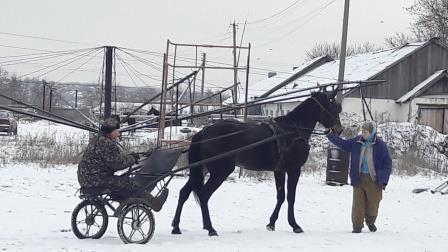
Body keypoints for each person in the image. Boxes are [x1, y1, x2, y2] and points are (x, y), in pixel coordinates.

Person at [77, 117, 167, 211]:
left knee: (120, 181)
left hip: (86, 178)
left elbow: (113, 159)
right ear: (111, 131)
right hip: (96, 180)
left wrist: (131, 157)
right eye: (117, 131)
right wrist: (132, 159)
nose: (119, 133)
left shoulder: (97, 139)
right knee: (130, 183)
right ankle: (154, 203)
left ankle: (124, 198)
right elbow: (117, 164)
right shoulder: (107, 143)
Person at [327, 122, 392, 233]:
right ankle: (357, 227)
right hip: (358, 178)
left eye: (366, 132)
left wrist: (384, 179)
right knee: (358, 205)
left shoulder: (380, 145)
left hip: (374, 180)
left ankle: (370, 222)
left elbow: (387, 163)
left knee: (373, 205)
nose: (363, 134)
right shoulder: (357, 141)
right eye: (362, 131)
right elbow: (343, 144)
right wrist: (330, 135)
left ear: (372, 133)